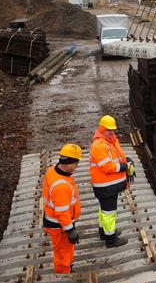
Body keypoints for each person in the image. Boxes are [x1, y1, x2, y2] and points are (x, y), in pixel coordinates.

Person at [89, 115, 135, 248]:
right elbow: (107, 166)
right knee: (109, 213)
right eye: (109, 130)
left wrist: (126, 159)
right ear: (102, 129)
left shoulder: (110, 141)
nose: (112, 132)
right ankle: (111, 239)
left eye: (113, 129)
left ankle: (104, 232)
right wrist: (123, 166)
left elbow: (116, 156)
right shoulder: (99, 145)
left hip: (108, 186)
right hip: (105, 187)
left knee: (104, 210)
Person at [42, 143, 82, 274]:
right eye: (76, 164)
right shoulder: (61, 186)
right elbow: (62, 212)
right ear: (69, 163)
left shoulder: (52, 171)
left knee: (66, 249)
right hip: (60, 226)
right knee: (62, 253)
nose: (77, 167)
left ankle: (68, 268)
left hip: (60, 223)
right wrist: (70, 229)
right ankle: (63, 276)